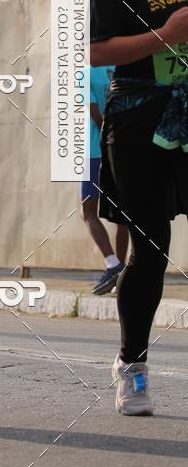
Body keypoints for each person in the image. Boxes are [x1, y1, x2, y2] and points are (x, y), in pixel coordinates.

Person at [90, 0, 186, 416]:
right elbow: (98, 53)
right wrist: (165, 36)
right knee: (150, 248)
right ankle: (133, 367)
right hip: (138, 117)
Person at [81, 65, 129, 295]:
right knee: (123, 215)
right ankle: (121, 275)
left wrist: (109, 138)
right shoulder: (122, 66)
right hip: (124, 149)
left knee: (88, 210)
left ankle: (113, 264)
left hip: (96, 151)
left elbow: (95, 114)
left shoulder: (85, 73)